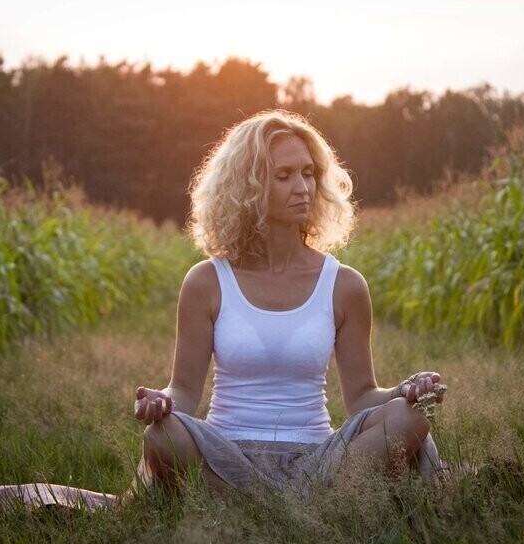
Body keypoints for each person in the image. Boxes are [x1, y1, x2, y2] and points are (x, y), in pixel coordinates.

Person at [131, 109, 443, 498]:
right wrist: (160, 402)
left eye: (309, 173)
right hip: (225, 453)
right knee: (161, 436)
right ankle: (306, 512)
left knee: (407, 418)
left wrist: (404, 390)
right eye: (284, 176)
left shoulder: (344, 284)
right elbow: (185, 393)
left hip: (318, 458)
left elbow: (362, 396)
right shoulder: (206, 281)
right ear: (247, 187)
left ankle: (257, 510)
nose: (303, 187)